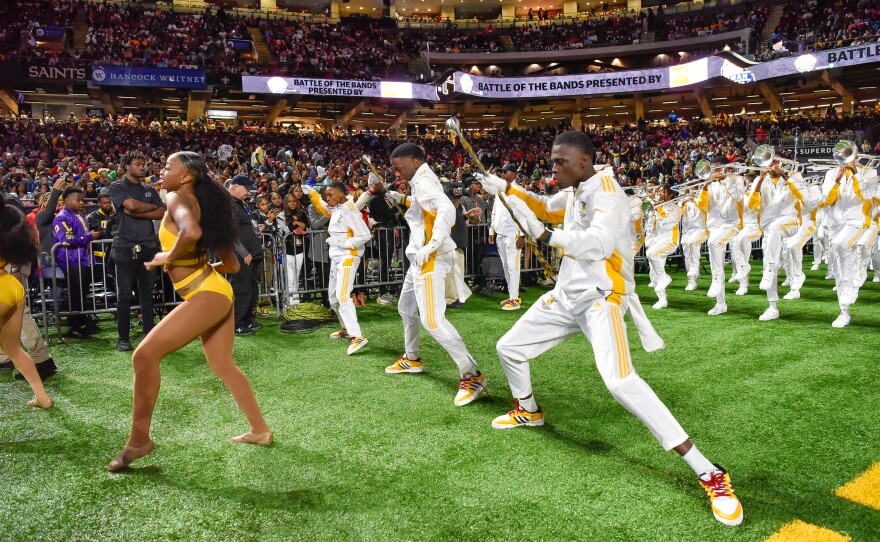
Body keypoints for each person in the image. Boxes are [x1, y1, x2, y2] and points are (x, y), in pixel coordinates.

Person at [479, 131, 743, 527]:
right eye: (552, 161)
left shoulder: (608, 194)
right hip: (567, 296)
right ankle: (529, 410)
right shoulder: (574, 188)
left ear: (583, 161)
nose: (553, 168)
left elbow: (599, 244)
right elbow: (545, 206)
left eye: (559, 162)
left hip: (601, 298)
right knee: (509, 348)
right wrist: (508, 188)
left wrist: (544, 235)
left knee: (620, 382)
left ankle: (709, 471)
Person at [107, 152, 272, 472]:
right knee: (224, 365)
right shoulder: (201, 204)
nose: (162, 170)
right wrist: (193, 266)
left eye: (169, 166)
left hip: (206, 294)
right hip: (215, 291)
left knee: (143, 357)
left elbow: (192, 234)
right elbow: (232, 264)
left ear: (185, 177)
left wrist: (165, 258)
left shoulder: (178, 199)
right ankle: (260, 430)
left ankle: (139, 441)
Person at [383, 143, 486, 407]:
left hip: (429, 258)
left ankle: (472, 374)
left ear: (414, 162)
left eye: (399, 167)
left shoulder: (425, 181)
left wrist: (433, 243)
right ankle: (412, 357)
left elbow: (446, 209)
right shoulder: (419, 181)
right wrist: (399, 197)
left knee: (433, 320)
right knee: (406, 308)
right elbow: (422, 209)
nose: (396, 171)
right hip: (418, 258)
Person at [303, 182, 372, 355]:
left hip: (349, 257)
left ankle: (357, 336)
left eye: (330, 195)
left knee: (342, 295)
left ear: (341, 194)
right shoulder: (337, 208)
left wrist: (343, 243)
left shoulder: (350, 210)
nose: (328, 198)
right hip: (336, 257)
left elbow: (365, 235)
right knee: (333, 298)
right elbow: (324, 207)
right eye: (326, 195)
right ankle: (346, 328)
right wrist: (313, 193)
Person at [0, 198, 53, 409]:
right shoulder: (10, 219)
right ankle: (42, 397)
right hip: (11, 286)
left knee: (12, 348)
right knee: (12, 348)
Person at [109, 151, 165, 352]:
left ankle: (149, 336)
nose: (143, 167)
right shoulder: (117, 186)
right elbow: (130, 205)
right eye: (138, 164)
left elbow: (161, 211)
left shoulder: (149, 188)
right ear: (127, 167)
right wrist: (147, 209)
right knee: (124, 294)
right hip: (124, 246)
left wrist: (137, 211)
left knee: (147, 293)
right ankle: (123, 338)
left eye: (144, 164)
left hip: (148, 245)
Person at [745, 160, 803, 321]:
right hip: (769, 228)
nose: (770, 167)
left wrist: (785, 175)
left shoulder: (794, 176)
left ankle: (776, 272)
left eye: (774, 164)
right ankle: (772, 307)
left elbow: (803, 196)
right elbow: (751, 205)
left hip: (791, 220)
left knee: (776, 234)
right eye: (768, 164)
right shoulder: (760, 180)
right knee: (768, 265)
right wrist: (759, 181)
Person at [820, 163, 877, 327]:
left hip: (857, 220)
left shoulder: (869, 172)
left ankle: (851, 286)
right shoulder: (831, 173)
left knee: (841, 245)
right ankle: (844, 312)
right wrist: (837, 181)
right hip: (834, 224)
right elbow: (828, 200)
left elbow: (866, 195)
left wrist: (855, 173)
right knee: (838, 268)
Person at [694, 165, 745, 315]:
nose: (713, 172)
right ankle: (720, 303)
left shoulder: (737, 179)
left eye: (716, 169)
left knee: (713, 243)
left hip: (732, 223)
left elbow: (739, 197)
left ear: (726, 169)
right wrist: (704, 186)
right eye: (712, 169)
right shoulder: (710, 185)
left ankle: (729, 275)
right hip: (715, 227)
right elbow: (702, 206)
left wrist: (725, 181)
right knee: (716, 263)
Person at [52, 187, 101, 338]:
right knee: (75, 294)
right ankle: (73, 327)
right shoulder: (61, 217)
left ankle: (82, 323)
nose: (81, 203)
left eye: (82, 200)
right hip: (71, 260)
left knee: (82, 292)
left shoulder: (79, 215)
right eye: (78, 200)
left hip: (82, 259)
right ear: (66, 201)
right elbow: (66, 240)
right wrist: (89, 237)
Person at [488, 164, 530, 311]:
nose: (503, 174)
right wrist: (491, 231)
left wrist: (522, 235)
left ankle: (515, 299)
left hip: (513, 234)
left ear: (513, 174)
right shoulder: (499, 191)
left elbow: (524, 214)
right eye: (502, 172)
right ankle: (512, 296)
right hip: (500, 234)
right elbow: (494, 212)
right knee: (506, 267)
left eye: (505, 172)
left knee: (513, 267)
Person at [227, 174, 263, 336]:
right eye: (246, 189)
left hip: (252, 253)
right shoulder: (228, 205)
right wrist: (242, 252)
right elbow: (229, 233)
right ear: (235, 187)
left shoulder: (241, 203)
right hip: (241, 255)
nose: (248, 192)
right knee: (241, 289)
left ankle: (248, 318)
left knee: (252, 289)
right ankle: (237, 323)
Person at [645, 185, 681, 309]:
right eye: (658, 191)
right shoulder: (656, 207)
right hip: (656, 241)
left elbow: (667, 225)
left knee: (651, 254)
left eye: (662, 191)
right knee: (654, 275)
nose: (659, 194)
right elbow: (650, 224)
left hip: (670, 240)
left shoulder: (675, 208)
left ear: (670, 194)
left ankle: (665, 277)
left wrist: (659, 208)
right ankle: (662, 299)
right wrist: (648, 239)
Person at [679, 189, 709, 292]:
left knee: (692, 243)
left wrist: (694, 198)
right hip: (687, 231)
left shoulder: (703, 198)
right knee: (687, 254)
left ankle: (693, 274)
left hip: (701, 229)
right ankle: (692, 280)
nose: (691, 193)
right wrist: (682, 203)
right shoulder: (683, 201)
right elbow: (678, 215)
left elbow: (705, 207)